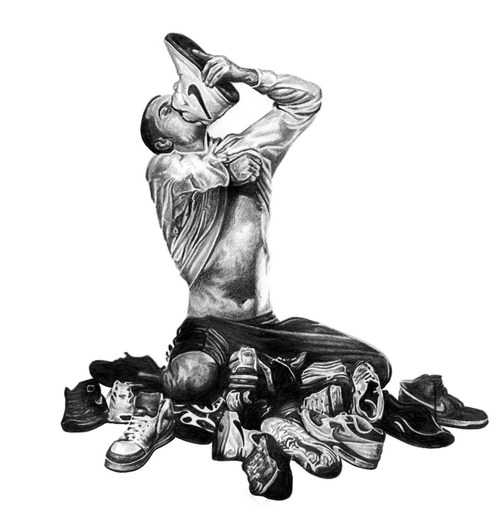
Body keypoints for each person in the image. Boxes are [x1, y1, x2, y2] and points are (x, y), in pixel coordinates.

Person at [140, 34, 392, 409]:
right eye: (166, 110)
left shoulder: (246, 149)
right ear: (162, 141)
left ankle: (261, 373)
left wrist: (244, 75)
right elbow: (189, 175)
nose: (177, 104)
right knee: (190, 380)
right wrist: (226, 169)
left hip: (266, 326)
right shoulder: (163, 169)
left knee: (378, 365)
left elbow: (307, 99)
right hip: (210, 326)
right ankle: (274, 378)